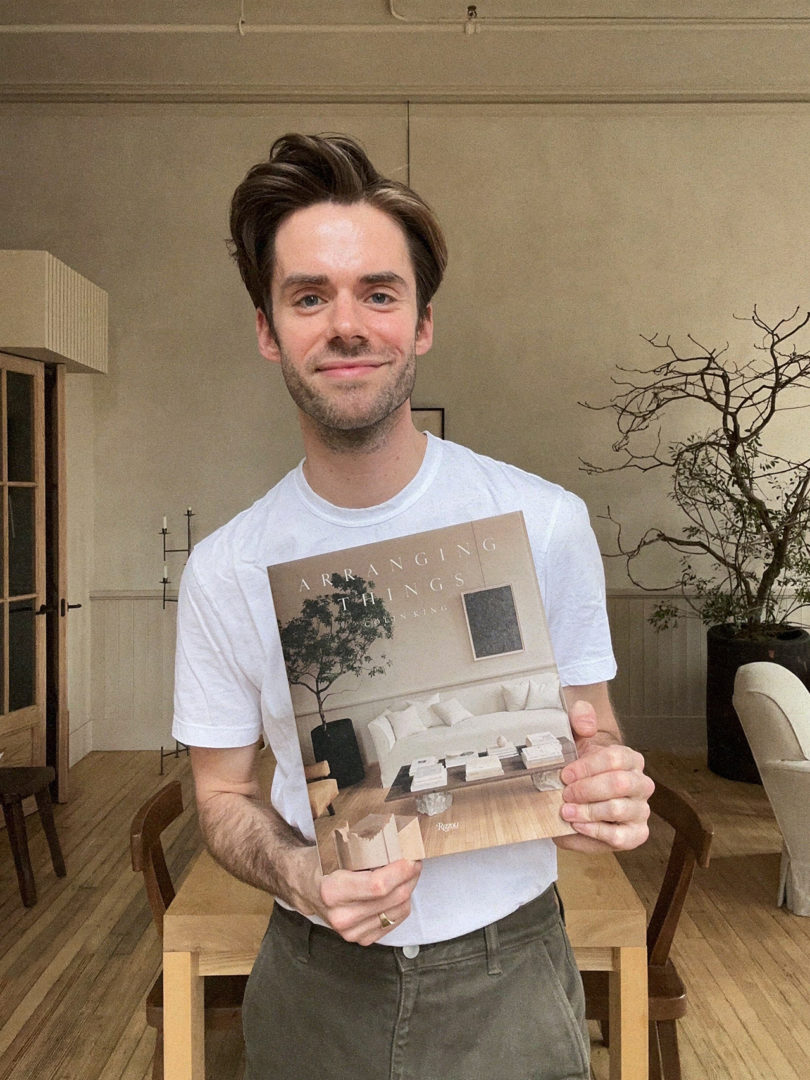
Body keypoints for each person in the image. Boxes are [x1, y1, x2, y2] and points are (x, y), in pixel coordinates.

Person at [173, 133, 653, 1080]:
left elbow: (589, 744)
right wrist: (304, 876)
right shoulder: (224, 569)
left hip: (510, 972)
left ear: (422, 322)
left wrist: (604, 791)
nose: (345, 325)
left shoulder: (545, 524)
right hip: (314, 978)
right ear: (269, 329)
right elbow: (221, 796)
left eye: (378, 293)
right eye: (309, 296)